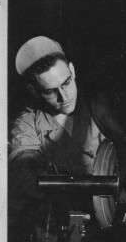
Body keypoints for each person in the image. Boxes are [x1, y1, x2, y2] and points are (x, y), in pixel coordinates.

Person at [9, 36, 104, 227]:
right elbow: (23, 175)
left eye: (67, 82)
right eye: (50, 91)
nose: (64, 96)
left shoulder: (101, 107)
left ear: (73, 71)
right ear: (34, 91)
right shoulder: (28, 124)